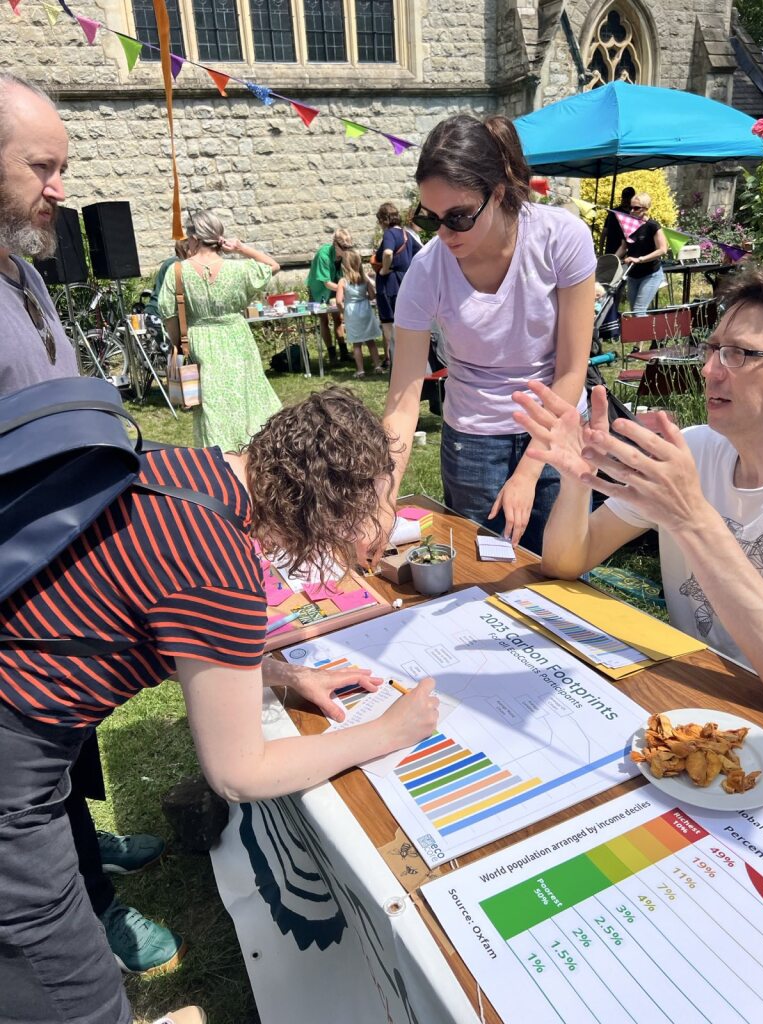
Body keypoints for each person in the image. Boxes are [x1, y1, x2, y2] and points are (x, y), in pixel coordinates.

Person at [0, 386, 439, 1024]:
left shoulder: (185, 469)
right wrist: (390, 732)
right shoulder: (222, 568)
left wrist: (280, 674)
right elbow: (239, 772)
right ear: (326, 513)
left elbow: (168, 619)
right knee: (69, 988)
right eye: (369, 515)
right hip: (14, 762)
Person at [0, 73, 189, 994]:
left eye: (63, 166)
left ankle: (90, 842)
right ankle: (89, 905)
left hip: (63, 560)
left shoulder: (25, 266)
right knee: (25, 772)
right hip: (13, 584)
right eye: (43, 166)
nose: (61, 187)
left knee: (71, 743)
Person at [512, 266, 763, 681]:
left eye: (738, 353)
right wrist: (580, 482)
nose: (709, 371)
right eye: (713, 349)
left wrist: (691, 518)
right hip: (689, 694)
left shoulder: (684, 466)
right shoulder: (695, 450)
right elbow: (565, 564)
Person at [383, 113, 595, 554]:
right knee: (482, 575)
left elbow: (572, 368)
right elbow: (403, 400)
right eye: (429, 218)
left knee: (564, 570)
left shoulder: (561, 238)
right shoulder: (426, 272)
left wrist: (528, 472)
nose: (443, 234)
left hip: (556, 428)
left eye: (457, 217)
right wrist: (382, 496)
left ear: (497, 193)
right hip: (474, 438)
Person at [159, 210, 282, 452]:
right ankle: (253, 452)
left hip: (200, 340)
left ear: (194, 238)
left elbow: (168, 313)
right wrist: (240, 248)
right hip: (236, 337)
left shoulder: (177, 271)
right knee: (245, 396)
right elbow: (273, 266)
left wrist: (180, 344)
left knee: (212, 405)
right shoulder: (239, 269)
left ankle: (220, 459)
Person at [373, 201, 417, 365]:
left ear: (384, 219)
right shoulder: (406, 234)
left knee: (389, 325)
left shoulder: (390, 233)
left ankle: (396, 361)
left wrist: (384, 269)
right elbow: (420, 254)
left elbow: (388, 252)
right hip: (404, 283)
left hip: (389, 285)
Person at [617, 191, 669, 313]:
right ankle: (642, 332)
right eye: (631, 207)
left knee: (638, 310)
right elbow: (623, 247)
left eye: (636, 208)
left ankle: (644, 332)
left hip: (651, 274)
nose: (632, 210)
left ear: (645, 209)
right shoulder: (628, 225)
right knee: (633, 311)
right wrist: (612, 260)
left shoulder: (652, 226)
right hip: (633, 274)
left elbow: (662, 249)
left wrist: (639, 259)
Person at [336, 247, 385, 378]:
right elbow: (373, 295)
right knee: (371, 341)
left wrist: (343, 311)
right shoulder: (364, 278)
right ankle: (377, 365)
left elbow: (338, 301)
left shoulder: (343, 281)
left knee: (356, 343)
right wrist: (365, 298)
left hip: (352, 312)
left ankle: (361, 370)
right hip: (365, 309)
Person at [306, 227, 352, 362]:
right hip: (319, 289)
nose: (346, 250)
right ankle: (332, 353)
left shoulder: (344, 254)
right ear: (335, 244)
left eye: (349, 247)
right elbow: (326, 283)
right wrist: (346, 289)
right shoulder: (323, 255)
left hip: (336, 286)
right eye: (344, 247)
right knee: (324, 320)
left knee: (338, 318)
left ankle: (344, 352)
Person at [142, 238, 189, 350]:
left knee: (176, 356)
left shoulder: (173, 262)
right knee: (176, 356)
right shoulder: (177, 264)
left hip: (156, 314)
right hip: (159, 315)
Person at [599, 185, 635, 255]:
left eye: (628, 198)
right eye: (625, 197)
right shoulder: (613, 213)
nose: (626, 200)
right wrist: (600, 252)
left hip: (627, 254)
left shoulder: (633, 214)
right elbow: (604, 232)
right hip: (611, 251)